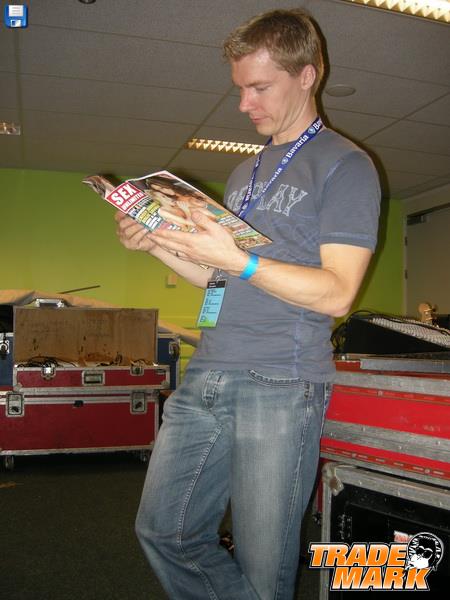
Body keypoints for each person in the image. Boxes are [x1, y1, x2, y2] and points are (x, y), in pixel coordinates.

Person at [115, 8, 380, 600]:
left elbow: (338, 292)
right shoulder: (245, 173)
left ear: (307, 75)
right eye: (240, 88)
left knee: (265, 568)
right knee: (164, 531)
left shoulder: (346, 165)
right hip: (208, 371)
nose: (244, 104)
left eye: (259, 87)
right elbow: (219, 279)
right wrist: (157, 242)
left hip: (280, 382)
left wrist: (237, 261)